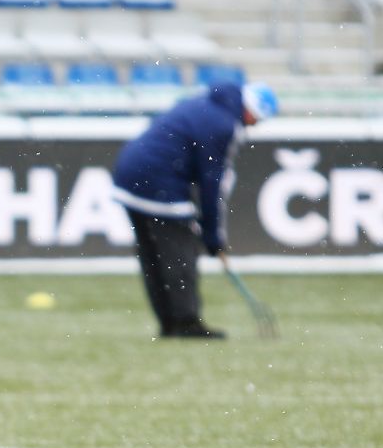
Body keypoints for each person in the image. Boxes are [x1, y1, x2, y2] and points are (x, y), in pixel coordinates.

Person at [112, 81, 279, 339]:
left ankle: (169, 322)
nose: (252, 126)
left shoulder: (202, 102)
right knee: (179, 253)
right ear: (251, 111)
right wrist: (213, 237)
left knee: (153, 255)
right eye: (255, 121)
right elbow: (211, 182)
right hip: (159, 182)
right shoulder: (225, 125)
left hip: (128, 173)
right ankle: (185, 323)